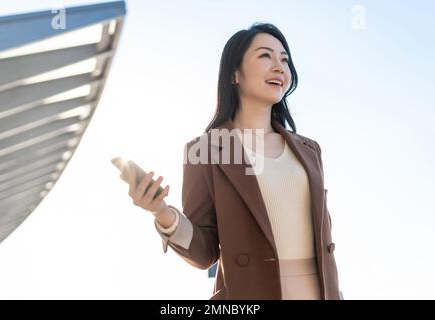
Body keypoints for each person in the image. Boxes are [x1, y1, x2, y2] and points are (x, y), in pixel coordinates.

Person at [117, 22, 343, 300]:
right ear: (235, 73)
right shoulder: (205, 150)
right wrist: (162, 212)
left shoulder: (309, 150)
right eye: (265, 56)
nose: (279, 67)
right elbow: (205, 252)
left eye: (284, 59)